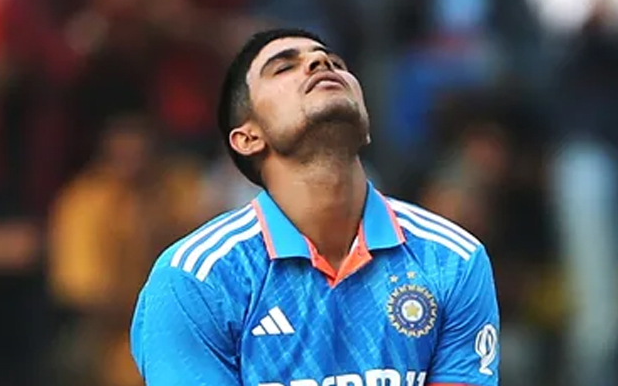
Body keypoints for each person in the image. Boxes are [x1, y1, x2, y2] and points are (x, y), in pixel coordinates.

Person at [130, 28, 500, 386]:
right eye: (283, 67)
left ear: (365, 123)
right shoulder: (197, 278)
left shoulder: (452, 259)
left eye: (335, 63)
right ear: (248, 138)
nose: (321, 63)